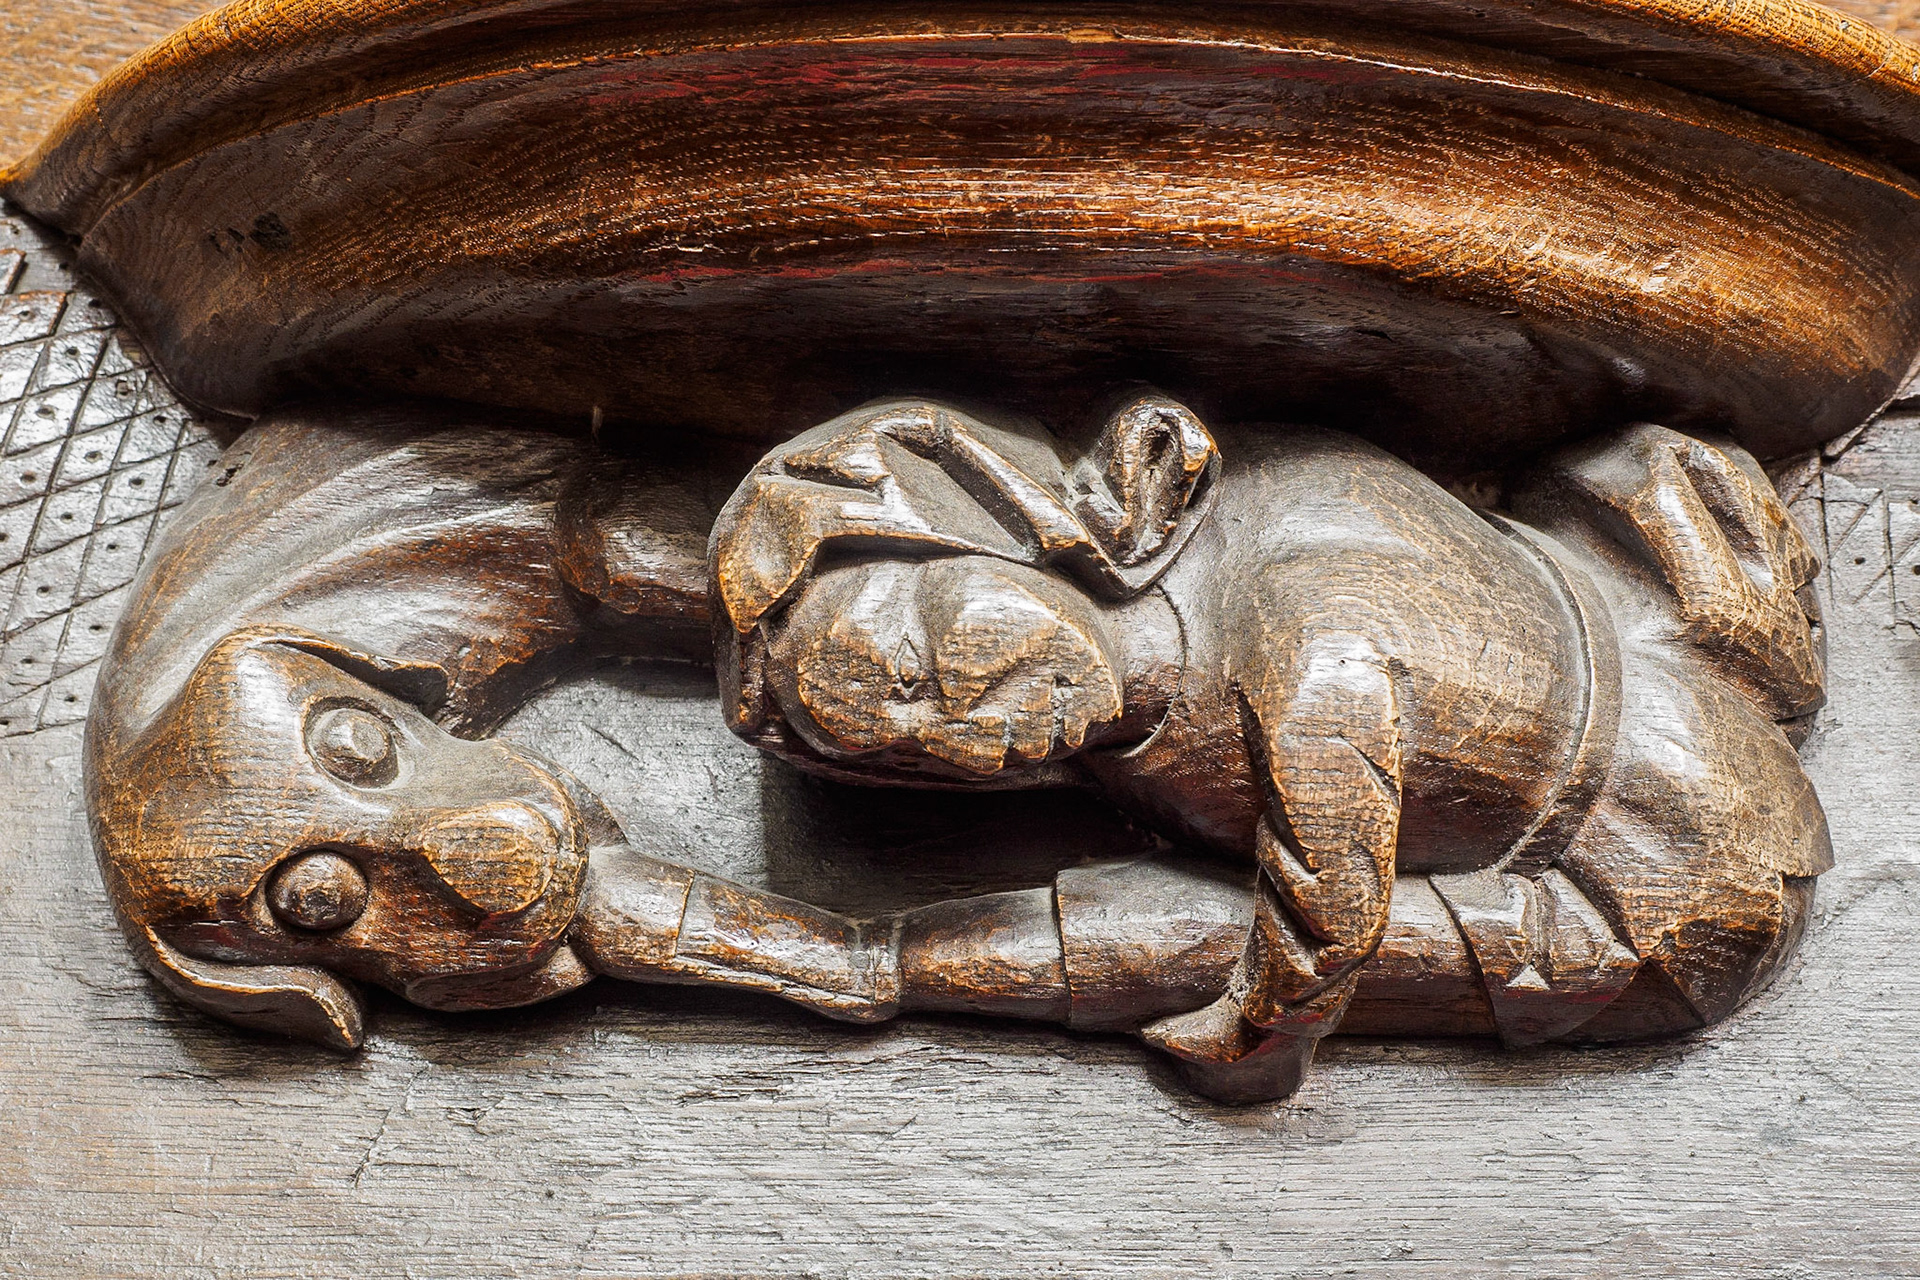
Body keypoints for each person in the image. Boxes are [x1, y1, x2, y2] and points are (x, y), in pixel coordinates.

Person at [709, 394, 1830, 1100]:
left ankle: (870, 962)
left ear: (1017, 537)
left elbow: (1324, 919)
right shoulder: (1170, 584)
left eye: (930, 656)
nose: (959, 725)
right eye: (901, 736)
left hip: (1667, 879)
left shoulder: (1295, 643)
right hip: (1620, 676)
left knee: (1206, 929)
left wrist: (1256, 1036)